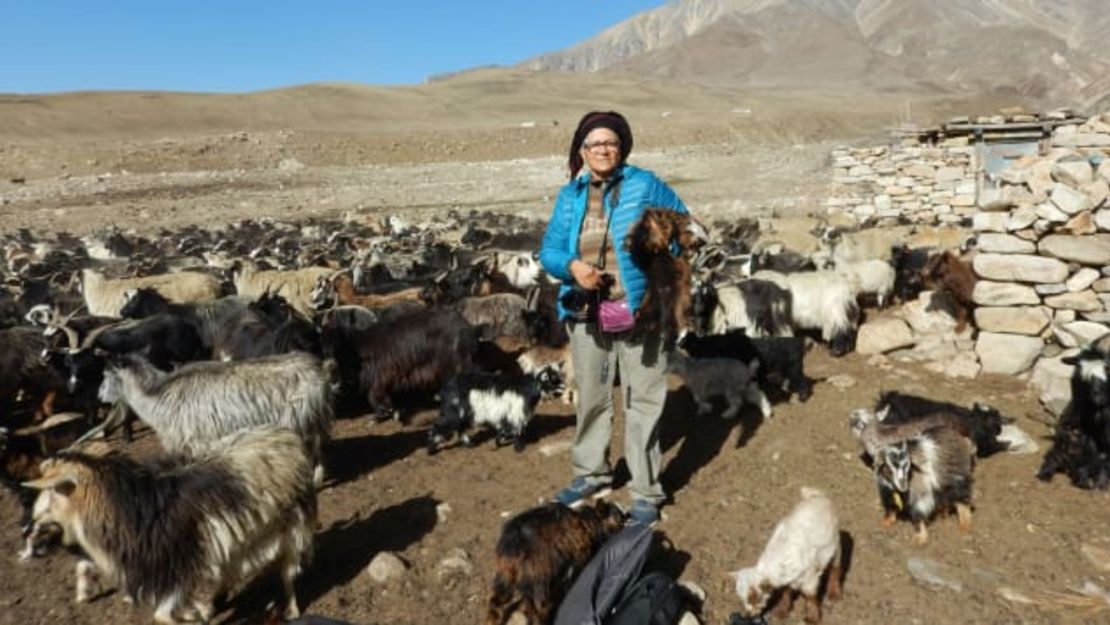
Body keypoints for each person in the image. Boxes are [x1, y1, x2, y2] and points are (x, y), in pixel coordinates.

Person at [538, 110, 690, 526]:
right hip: (586, 310)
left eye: (611, 143)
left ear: (621, 147)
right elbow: (548, 249)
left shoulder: (645, 184)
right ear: (582, 151)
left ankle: (645, 490)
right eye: (594, 143)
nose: (603, 149)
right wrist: (572, 268)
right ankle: (591, 473)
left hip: (641, 312)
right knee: (591, 396)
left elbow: (684, 227)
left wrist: (660, 259)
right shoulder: (570, 196)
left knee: (643, 399)